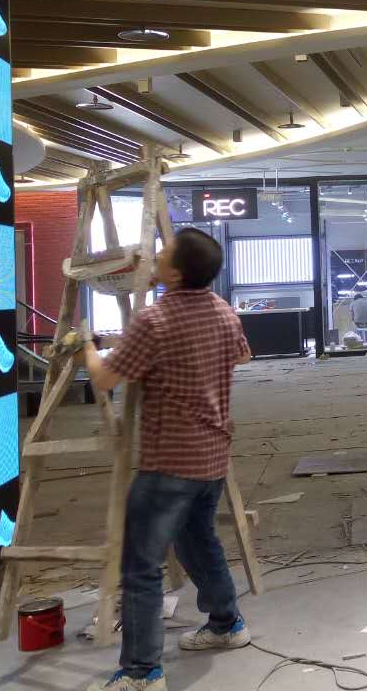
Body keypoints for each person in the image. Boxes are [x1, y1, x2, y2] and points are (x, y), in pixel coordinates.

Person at [81, 228, 252, 691]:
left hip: (169, 462)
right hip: (212, 455)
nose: (154, 257)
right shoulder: (224, 312)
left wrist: (87, 348)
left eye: (163, 254)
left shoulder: (154, 321)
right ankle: (226, 624)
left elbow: (105, 379)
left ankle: (141, 671)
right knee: (199, 543)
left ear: (175, 274)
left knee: (140, 566)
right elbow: (243, 355)